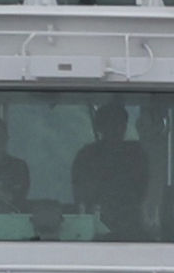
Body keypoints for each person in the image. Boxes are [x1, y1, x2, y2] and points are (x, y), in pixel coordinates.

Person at [67, 99, 161, 243]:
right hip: (95, 225)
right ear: (100, 127)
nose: (116, 129)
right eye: (110, 124)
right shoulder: (87, 156)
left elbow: (146, 188)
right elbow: (81, 194)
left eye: (120, 124)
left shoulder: (135, 153)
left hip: (132, 225)